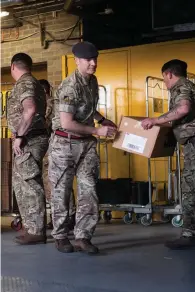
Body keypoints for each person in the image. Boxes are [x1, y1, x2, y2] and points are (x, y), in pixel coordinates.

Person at [48, 41, 117, 254]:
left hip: (85, 146)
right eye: (88, 60)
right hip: (64, 144)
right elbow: (67, 122)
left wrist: (102, 119)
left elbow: (89, 108)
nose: (93, 63)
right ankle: (60, 236)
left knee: (89, 190)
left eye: (95, 59)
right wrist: (97, 131)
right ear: (77, 61)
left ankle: (83, 236)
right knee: (62, 192)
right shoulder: (70, 86)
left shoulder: (92, 81)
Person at [141, 59, 195, 250]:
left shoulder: (181, 87)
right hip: (194, 148)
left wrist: (154, 120)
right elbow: (179, 117)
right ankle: (190, 235)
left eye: (164, 79)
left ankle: (191, 235)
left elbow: (183, 108)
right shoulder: (187, 87)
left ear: (168, 74)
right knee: (190, 192)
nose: (165, 83)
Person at [7, 53, 49, 244]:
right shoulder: (34, 83)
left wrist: (21, 136)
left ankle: (36, 231)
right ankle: (31, 228)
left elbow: (30, 109)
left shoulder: (25, 83)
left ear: (13, 66)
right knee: (23, 184)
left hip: (30, 140)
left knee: (30, 184)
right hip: (31, 139)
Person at [39, 79, 76, 230]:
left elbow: (44, 124)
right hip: (60, 145)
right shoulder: (56, 102)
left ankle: (62, 218)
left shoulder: (47, 104)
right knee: (63, 181)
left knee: (53, 182)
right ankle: (69, 215)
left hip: (51, 146)